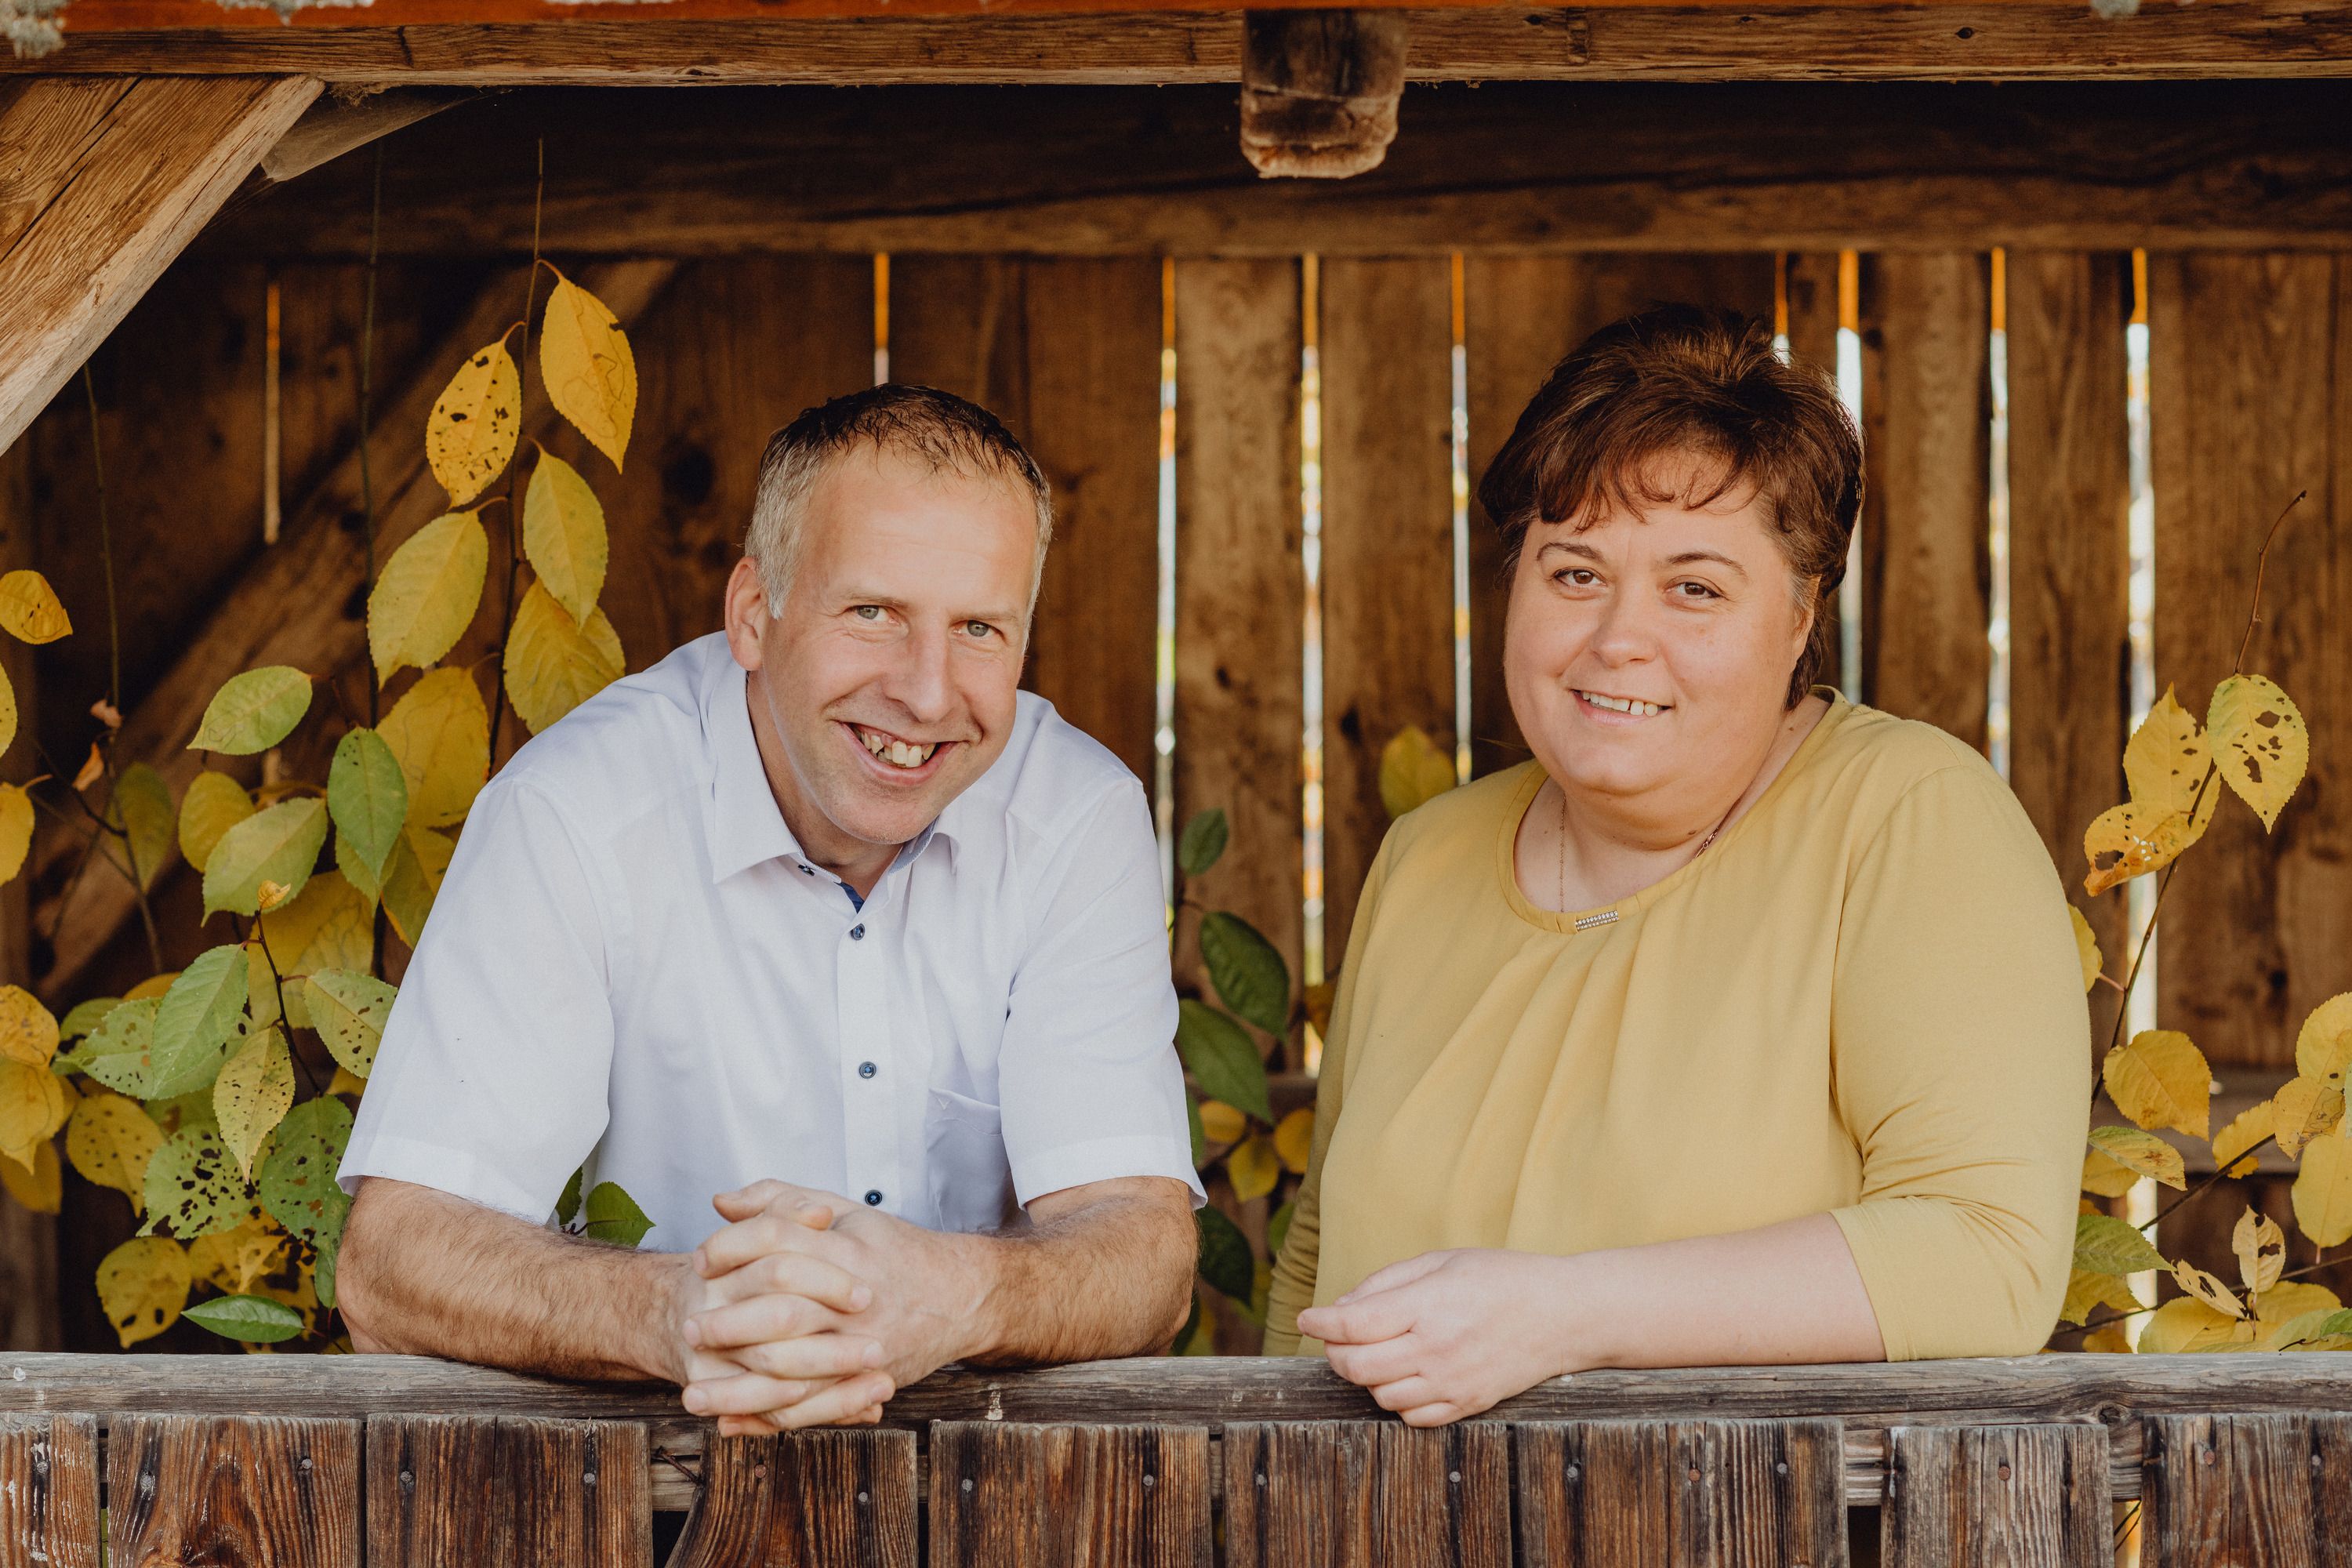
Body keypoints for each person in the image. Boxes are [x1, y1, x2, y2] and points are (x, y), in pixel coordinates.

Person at [1264, 306, 2089, 1425]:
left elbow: (1985, 1257)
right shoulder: (1425, 858)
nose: (1617, 638)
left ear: (1800, 616)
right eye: (1574, 573)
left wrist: (1568, 1314)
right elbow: (1317, 1266)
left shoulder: (1907, 818)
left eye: (1694, 587)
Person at [336, 385, 1202, 1433]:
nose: (928, 695)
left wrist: (953, 1294)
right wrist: (680, 1312)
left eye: (980, 628)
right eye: (873, 613)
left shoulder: (1075, 817)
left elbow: (1148, 1256)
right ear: (754, 614)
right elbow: (391, 1261)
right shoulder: (575, 810)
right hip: (649, 1489)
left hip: (998, 1496)